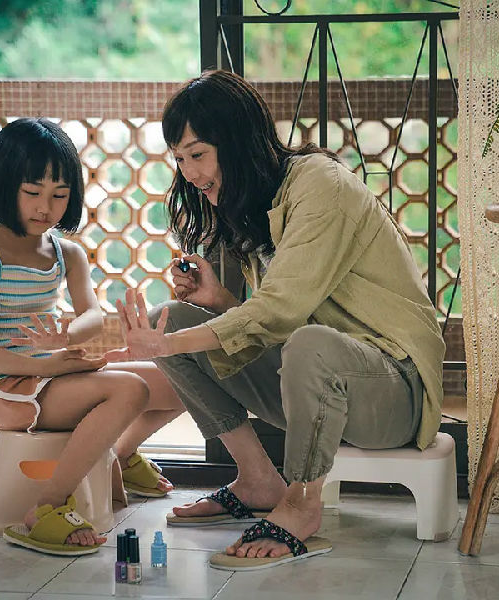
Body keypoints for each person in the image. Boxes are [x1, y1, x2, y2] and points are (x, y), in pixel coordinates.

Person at [104, 70, 446, 570]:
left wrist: (166, 348)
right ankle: (258, 480)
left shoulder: (320, 185)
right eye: (179, 159)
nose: (190, 174)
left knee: (305, 344)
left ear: (238, 141)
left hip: (394, 390)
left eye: (198, 154)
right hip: (316, 384)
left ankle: (302, 504)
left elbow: (283, 312)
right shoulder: (256, 203)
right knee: (171, 318)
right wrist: (221, 302)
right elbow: (279, 320)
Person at [0, 118, 184, 556]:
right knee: (131, 390)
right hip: (7, 389)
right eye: (33, 192)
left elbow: (91, 316)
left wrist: (66, 337)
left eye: (59, 195)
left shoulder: (67, 253)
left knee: (184, 378)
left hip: (55, 372)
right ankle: (46, 508)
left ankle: (122, 454)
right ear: (5, 185)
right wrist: (43, 364)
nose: (46, 207)